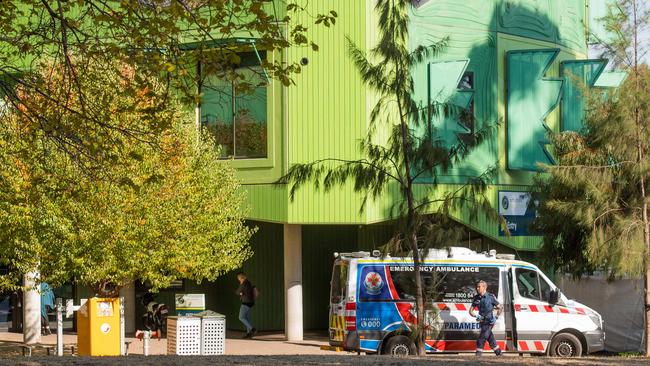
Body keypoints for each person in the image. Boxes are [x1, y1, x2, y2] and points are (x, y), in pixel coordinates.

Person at [469, 280, 503, 356]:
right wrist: (476, 316)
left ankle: (478, 354)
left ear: (484, 287)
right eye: (477, 287)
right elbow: (470, 311)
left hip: (489, 321)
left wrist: (496, 317)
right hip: (482, 321)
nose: (477, 288)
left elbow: (500, 307)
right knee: (490, 337)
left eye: (479, 287)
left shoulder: (490, 297)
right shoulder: (476, 298)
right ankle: (498, 352)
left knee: (482, 337)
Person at [235, 272, 256, 338]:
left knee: (241, 317)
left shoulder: (243, 283)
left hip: (246, 302)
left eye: (238, 278)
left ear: (240, 278)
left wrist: (241, 291)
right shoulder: (248, 282)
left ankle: (252, 329)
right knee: (247, 318)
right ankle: (249, 333)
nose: (238, 279)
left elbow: (237, 292)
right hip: (251, 302)